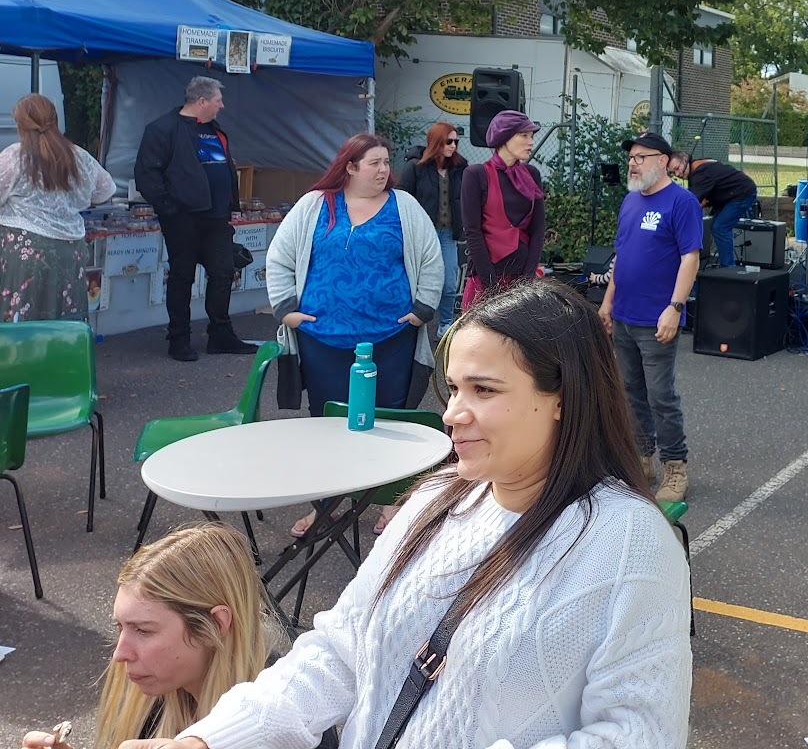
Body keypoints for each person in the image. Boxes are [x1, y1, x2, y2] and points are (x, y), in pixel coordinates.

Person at [145, 281, 692, 749]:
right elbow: (339, 652)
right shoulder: (437, 499)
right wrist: (207, 740)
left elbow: (640, 733)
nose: (452, 413)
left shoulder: (629, 543)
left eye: (484, 390)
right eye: (452, 388)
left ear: (563, 398)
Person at [266, 133, 443, 537]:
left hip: (390, 336)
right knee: (328, 422)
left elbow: (431, 258)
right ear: (350, 167)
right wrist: (286, 310)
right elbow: (279, 256)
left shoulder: (404, 206)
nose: (384, 170)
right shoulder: (315, 205)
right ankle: (326, 506)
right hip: (323, 336)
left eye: (386, 162)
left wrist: (422, 310)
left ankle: (391, 503)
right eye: (374, 163)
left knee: (390, 421)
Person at [20, 523, 336, 749]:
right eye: (120, 627)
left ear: (216, 625)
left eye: (143, 630)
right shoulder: (152, 698)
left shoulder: (295, 718)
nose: (120, 654)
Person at [598, 132, 701, 505]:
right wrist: (608, 302)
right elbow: (621, 256)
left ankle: (675, 467)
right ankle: (641, 460)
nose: (633, 163)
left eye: (641, 157)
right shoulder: (629, 201)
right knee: (630, 392)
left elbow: (690, 258)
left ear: (663, 161)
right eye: (631, 157)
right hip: (624, 315)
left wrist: (675, 307)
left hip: (657, 319)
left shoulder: (682, 202)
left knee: (661, 396)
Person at [134, 77, 254, 361]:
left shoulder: (214, 129)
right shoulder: (163, 128)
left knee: (223, 273)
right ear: (202, 101)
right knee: (182, 277)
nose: (222, 106)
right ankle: (179, 339)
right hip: (183, 218)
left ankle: (221, 335)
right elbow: (147, 174)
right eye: (218, 100)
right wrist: (169, 208)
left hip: (216, 217)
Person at [0, 94, 115, 322]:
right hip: (69, 250)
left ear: (20, 124)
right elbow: (105, 191)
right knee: (64, 319)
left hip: (25, 252)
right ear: (55, 120)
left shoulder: (14, 156)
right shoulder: (78, 155)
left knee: (23, 321)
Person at [461, 111, 547, 309]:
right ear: (504, 137)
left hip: (521, 278)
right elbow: (472, 232)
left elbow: (538, 229)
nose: (531, 142)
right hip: (486, 276)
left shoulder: (532, 174)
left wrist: (526, 281)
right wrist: (492, 287)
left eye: (531, 136)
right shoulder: (476, 174)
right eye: (524, 135)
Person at [394, 121, 467, 330]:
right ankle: (415, 325)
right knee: (418, 280)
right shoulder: (416, 167)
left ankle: (445, 325)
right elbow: (401, 198)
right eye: (448, 141)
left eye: (456, 142)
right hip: (423, 234)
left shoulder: (460, 167)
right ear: (436, 141)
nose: (453, 146)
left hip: (448, 232)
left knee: (449, 282)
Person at [667, 147, 758, 267]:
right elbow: (700, 200)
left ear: (685, 159)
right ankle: (726, 263)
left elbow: (693, 203)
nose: (678, 174)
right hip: (730, 195)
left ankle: (728, 268)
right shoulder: (697, 167)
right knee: (717, 226)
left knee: (720, 227)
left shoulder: (701, 172)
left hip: (743, 194)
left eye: (677, 168)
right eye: (673, 173)